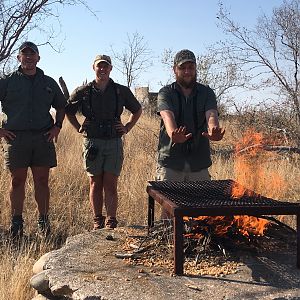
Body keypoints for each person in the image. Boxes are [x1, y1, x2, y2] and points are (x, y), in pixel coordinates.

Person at [65, 54, 142, 230]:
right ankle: (97, 219)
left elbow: (137, 110)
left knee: (111, 183)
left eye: (106, 66)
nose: (102, 69)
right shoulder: (83, 91)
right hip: (92, 142)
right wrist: (78, 127)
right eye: (99, 66)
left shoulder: (120, 90)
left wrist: (127, 127)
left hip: (114, 141)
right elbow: (68, 110)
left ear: (110, 69)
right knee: (95, 183)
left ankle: (111, 220)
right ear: (93, 68)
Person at [0, 41, 66, 238]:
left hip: (42, 138)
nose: (28, 57)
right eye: (24, 54)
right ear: (19, 58)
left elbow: (61, 106)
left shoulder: (48, 82)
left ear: (38, 58)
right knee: (17, 181)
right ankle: (16, 224)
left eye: (32, 54)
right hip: (15, 138)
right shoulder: (7, 81)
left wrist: (58, 126)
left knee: (42, 181)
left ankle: (43, 222)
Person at [156, 49, 225, 217]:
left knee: (200, 210)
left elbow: (211, 114)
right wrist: (173, 134)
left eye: (190, 67)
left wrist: (213, 130)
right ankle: (167, 240)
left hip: (198, 161)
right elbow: (167, 114)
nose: (187, 72)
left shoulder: (206, 92)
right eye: (183, 68)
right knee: (169, 210)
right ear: (175, 70)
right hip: (172, 161)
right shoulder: (166, 92)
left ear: (195, 69)